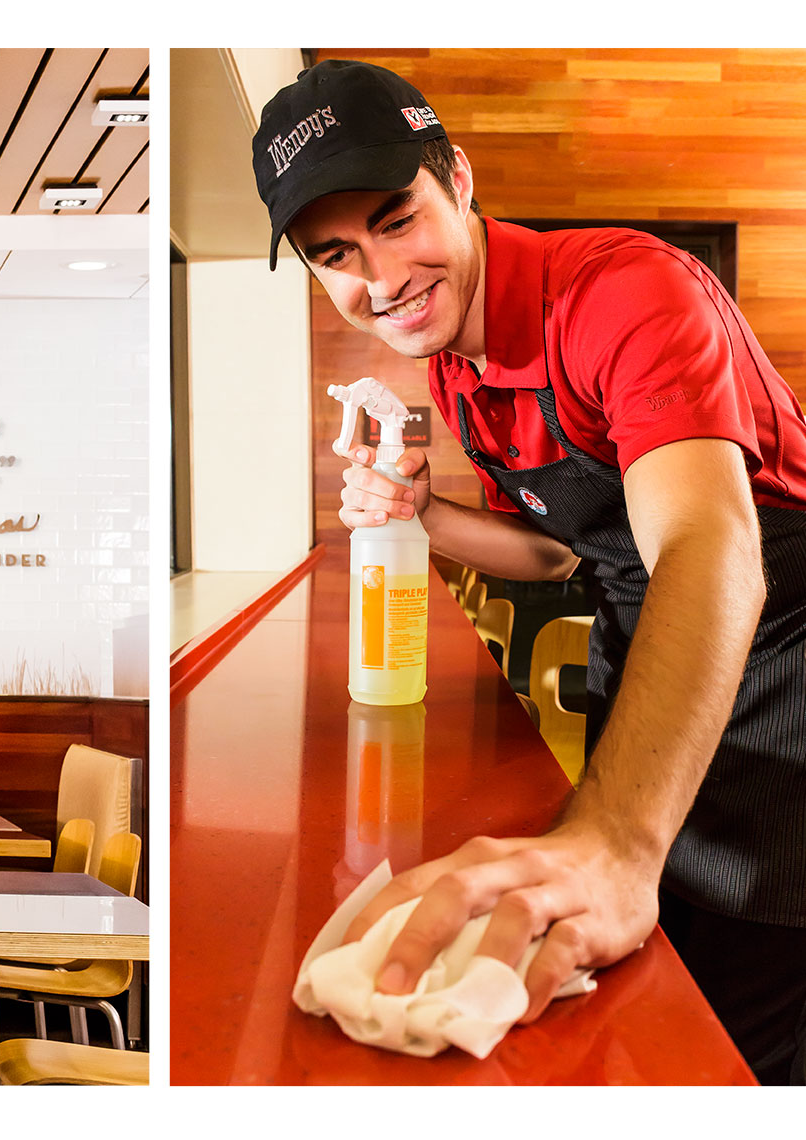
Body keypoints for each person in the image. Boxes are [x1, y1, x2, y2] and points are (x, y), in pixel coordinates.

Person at [253, 59, 806, 1084]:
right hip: (643, 647)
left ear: (457, 179)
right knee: (636, 975)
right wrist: (423, 515)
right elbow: (558, 551)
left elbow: (709, 547)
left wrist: (617, 839)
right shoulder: (455, 365)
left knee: (745, 1023)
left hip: (783, 657)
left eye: (396, 219)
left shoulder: (624, 290)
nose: (378, 279)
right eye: (335, 256)